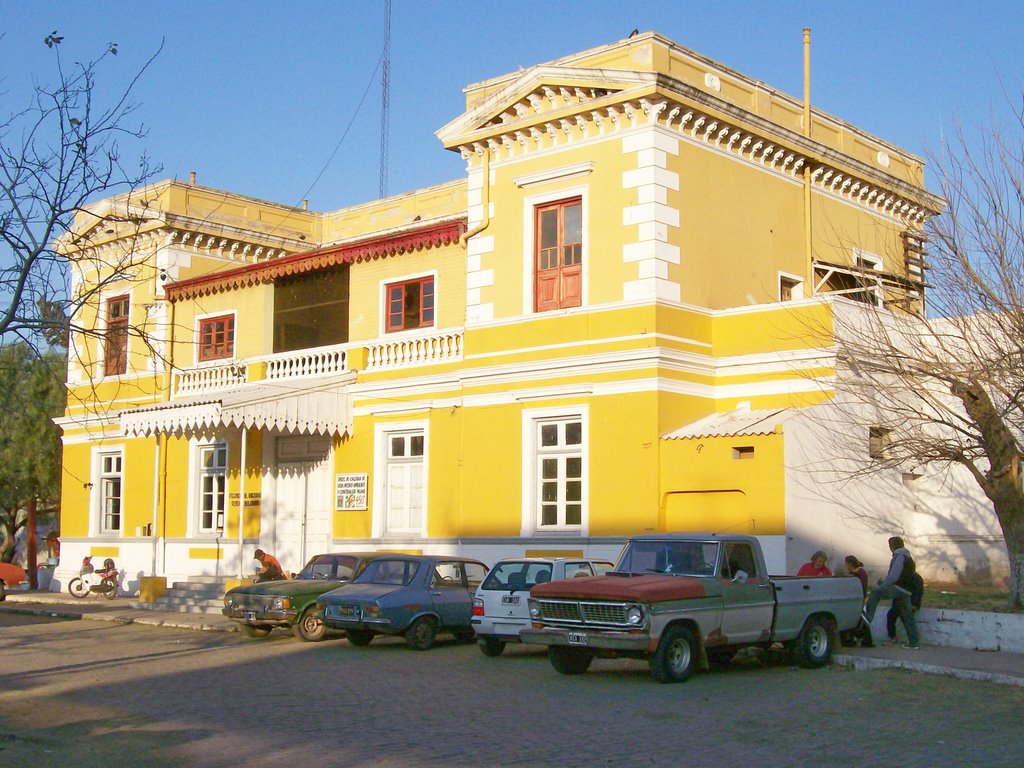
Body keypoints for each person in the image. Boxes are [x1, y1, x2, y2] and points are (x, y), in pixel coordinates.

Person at [863, 536, 921, 649]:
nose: (889, 548)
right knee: (907, 616)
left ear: (892, 546)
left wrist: (883, 586)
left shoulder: (899, 556)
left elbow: (894, 576)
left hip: (899, 588)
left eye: (890, 546)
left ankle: (867, 618)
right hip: (907, 591)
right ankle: (914, 643)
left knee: (875, 593)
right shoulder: (909, 558)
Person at [886, 566, 925, 643]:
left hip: (910, 603)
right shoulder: (902, 578)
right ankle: (892, 637)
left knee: (907, 620)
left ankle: (913, 639)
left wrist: (914, 604)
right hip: (900, 603)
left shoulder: (916, 579)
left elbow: (918, 593)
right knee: (890, 616)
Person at [841, 555, 873, 647]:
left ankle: (862, 640)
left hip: (858, 598)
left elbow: (858, 586)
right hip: (858, 598)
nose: (846, 566)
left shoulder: (859, 572)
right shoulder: (857, 572)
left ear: (850, 564)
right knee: (858, 618)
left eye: (846, 564)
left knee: (857, 619)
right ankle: (864, 640)